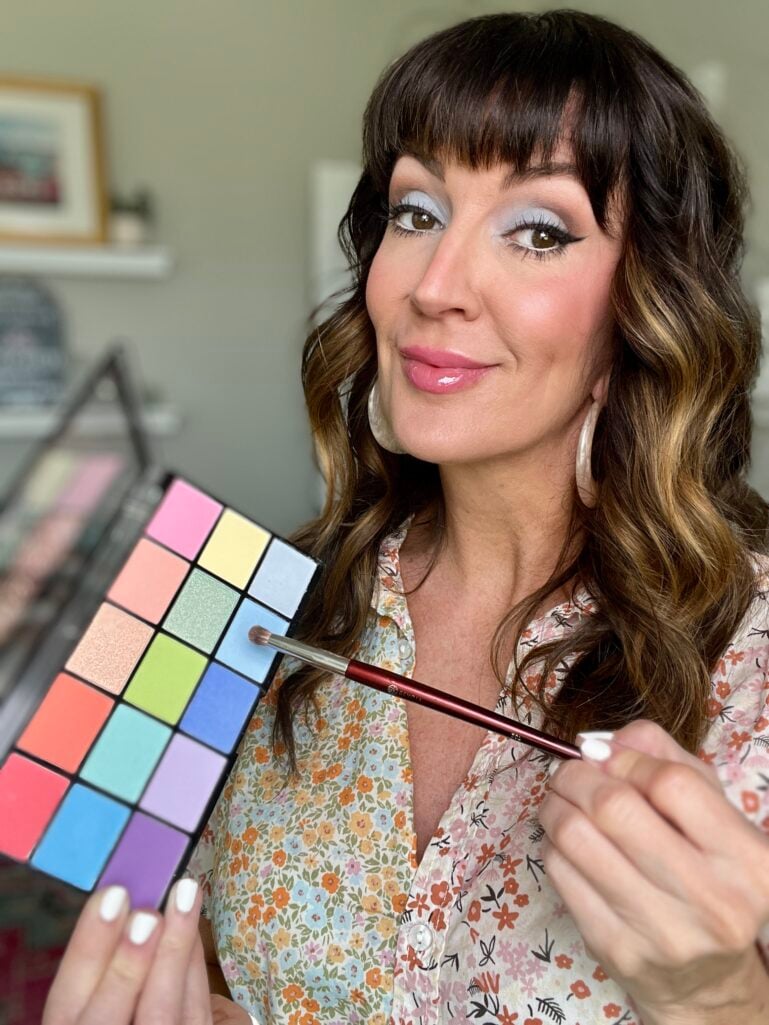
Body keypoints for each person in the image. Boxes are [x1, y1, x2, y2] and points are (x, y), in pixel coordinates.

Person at [42, 8, 769, 1025]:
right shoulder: (248, 612)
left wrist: (720, 996)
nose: (433, 286)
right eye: (416, 210)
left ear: (645, 302)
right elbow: (225, 964)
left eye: (538, 230)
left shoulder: (754, 653)